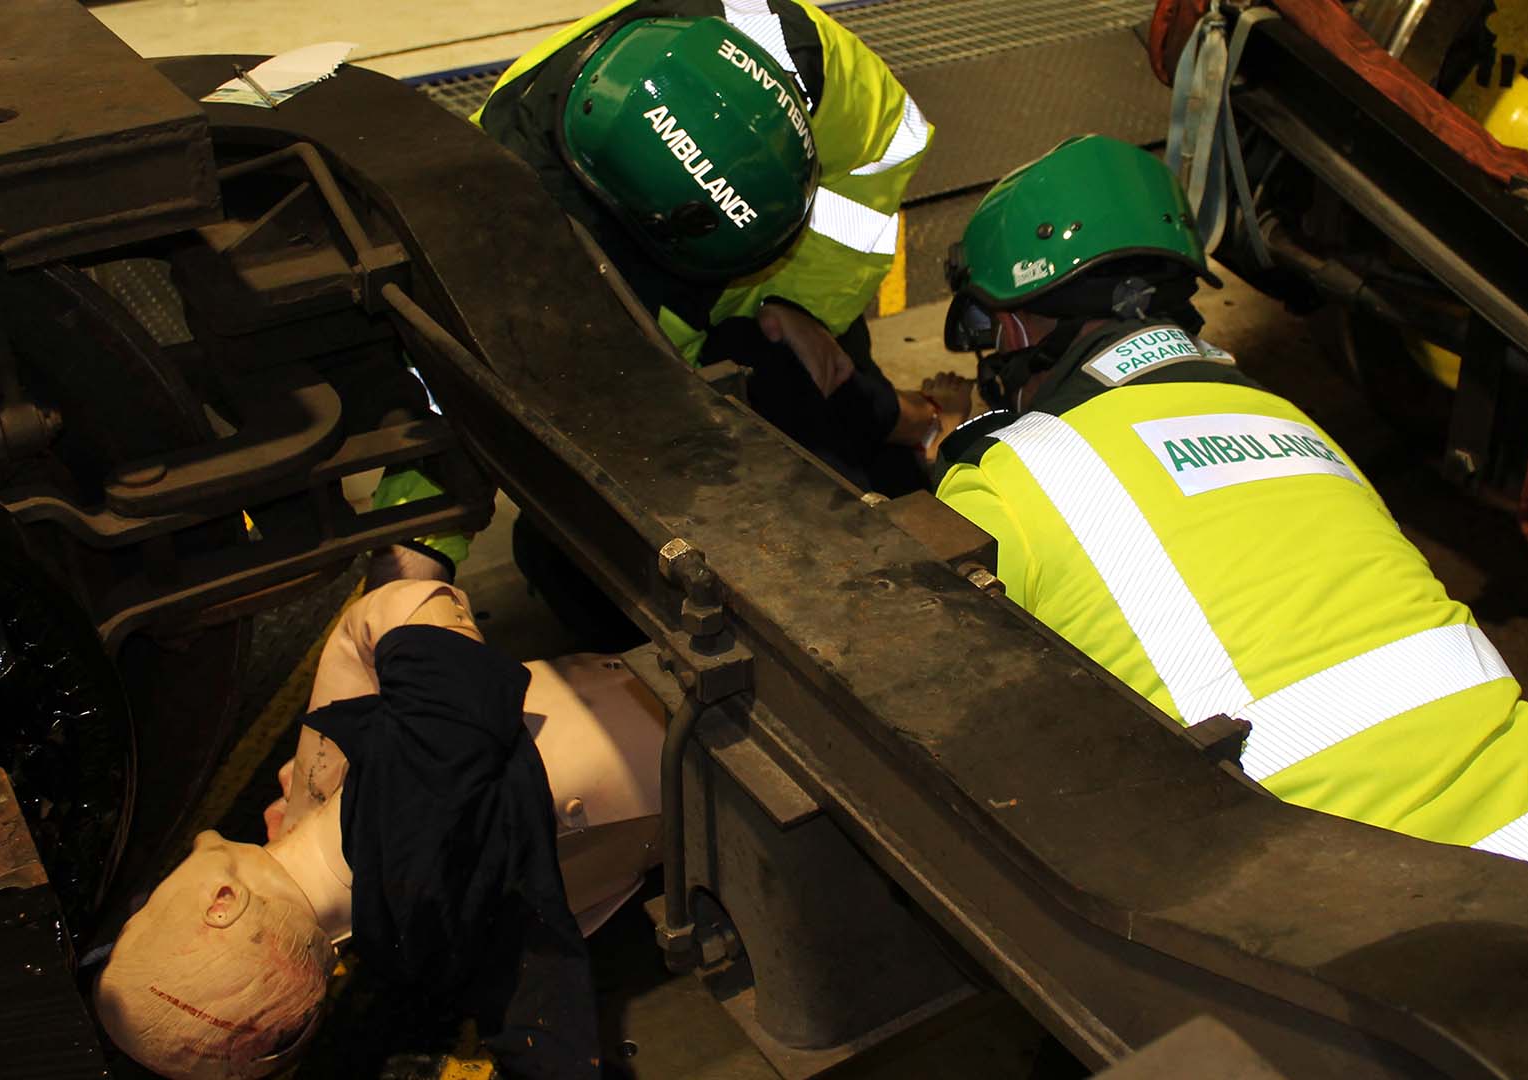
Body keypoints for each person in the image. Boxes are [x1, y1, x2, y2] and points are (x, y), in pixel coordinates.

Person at [929, 134, 1528, 898]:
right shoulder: (1300, 428)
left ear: (1014, 329)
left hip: (1352, 944)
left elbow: (942, 707)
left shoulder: (1009, 477)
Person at [94, 551, 666, 1078]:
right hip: (681, 701)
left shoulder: (400, 945)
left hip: (660, 827)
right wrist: (334, 723)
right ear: (222, 904)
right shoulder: (413, 778)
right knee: (547, 549)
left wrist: (320, 791)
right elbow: (412, 607)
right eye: (144, 919)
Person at [473, 0, 953, 494]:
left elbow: (888, 142)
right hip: (649, 340)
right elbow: (478, 380)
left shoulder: (788, 48)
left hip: (794, 277)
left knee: (811, 384)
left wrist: (800, 305)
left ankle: (911, 425)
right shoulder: (510, 210)